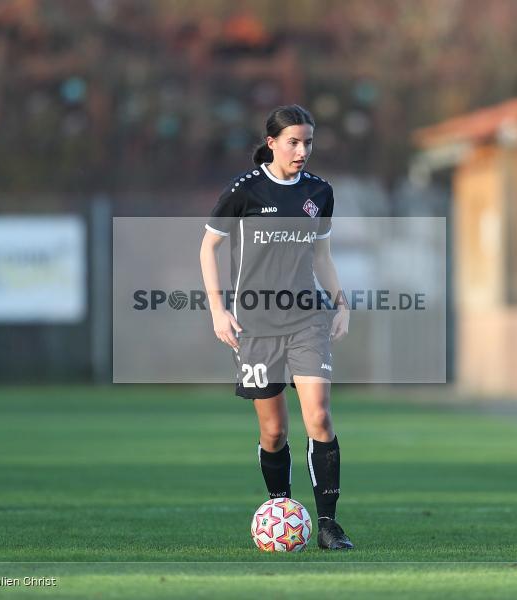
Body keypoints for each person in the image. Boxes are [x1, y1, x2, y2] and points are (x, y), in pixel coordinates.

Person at [200, 105, 354, 550]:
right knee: (274, 432)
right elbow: (208, 247)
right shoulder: (244, 192)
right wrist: (217, 309)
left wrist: (341, 304)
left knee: (320, 417)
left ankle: (328, 524)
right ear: (271, 143)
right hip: (256, 327)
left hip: (308, 319)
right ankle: (280, 510)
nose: (302, 150)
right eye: (293, 141)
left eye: (308, 141)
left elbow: (322, 256)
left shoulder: (320, 192)